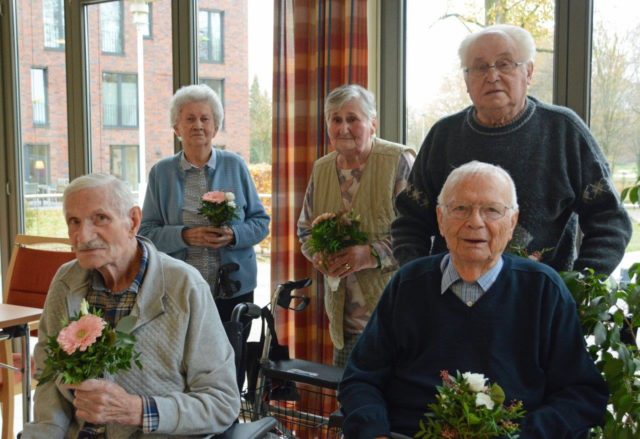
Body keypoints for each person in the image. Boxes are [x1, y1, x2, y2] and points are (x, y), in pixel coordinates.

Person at [339, 161, 608, 438]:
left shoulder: (543, 291)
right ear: (440, 220)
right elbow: (361, 378)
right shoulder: (409, 285)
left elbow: (581, 393)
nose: (475, 222)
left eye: (491, 210)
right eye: (460, 209)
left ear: (512, 222)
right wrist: (374, 432)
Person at [391, 24, 631, 276]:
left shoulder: (564, 132)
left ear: (528, 72)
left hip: (541, 302)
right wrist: (419, 281)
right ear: (466, 80)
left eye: (505, 64)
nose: (492, 76)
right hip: (452, 302)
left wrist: (577, 288)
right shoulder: (443, 136)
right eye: (480, 67)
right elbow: (410, 223)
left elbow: (610, 221)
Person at [23, 173, 240, 438]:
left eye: (100, 218)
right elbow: (49, 374)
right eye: (74, 222)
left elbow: (222, 403)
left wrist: (137, 410)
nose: (83, 235)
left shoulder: (184, 286)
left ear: (133, 221)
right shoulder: (66, 281)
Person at [297, 84, 415, 367]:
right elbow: (305, 231)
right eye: (336, 120)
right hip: (343, 320)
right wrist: (318, 255)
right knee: (349, 402)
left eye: (353, 119)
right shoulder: (322, 169)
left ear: (372, 123)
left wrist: (371, 254)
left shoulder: (398, 161)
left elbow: (419, 235)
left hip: (393, 316)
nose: (343, 127)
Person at [139, 84, 269, 339]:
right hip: (178, 288)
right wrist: (185, 236)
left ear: (215, 127)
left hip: (233, 288)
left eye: (205, 118)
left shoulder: (235, 165)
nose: (198, 125)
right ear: (177, 128)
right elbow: (145, 232)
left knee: (233, 360)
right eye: (190, 119)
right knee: (184, 364)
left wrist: (233, 234)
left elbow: (260, 222)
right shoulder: (161, 173)